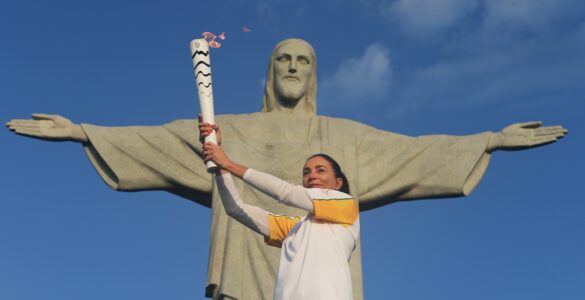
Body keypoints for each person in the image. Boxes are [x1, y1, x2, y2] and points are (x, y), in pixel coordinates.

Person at [6, 38, 567, 299]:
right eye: (283, 60)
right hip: (247, 280)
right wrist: (83, 130)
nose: (293, 67)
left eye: (303, 61)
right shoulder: (230, 127)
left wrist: (489, 139)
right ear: (270, 71)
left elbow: (414, 152)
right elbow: (162, 145)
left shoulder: (343, 144)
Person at [200, 119, 358, 300]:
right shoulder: (295, 229)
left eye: (320, 170)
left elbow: (286, 193)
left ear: (338, 183)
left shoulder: (346, 206)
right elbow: (235, 208)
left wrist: (228, 163)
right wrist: (219, 166)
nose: (311, 175)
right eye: (306, 172)